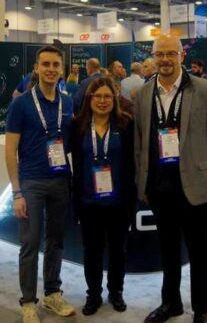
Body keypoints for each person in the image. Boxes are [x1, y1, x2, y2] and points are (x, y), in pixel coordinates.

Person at [134, 34, 207, 323]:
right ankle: (171, 303)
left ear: (181, 56)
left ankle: (201, 309)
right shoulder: (143, 94)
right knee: (168, 249)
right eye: (159, 54)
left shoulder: (204, 89)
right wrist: (143, 181)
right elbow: (140, 141)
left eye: (170, 54)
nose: (164, 60)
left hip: (195, 188)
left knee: (199, 251)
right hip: (160, 187)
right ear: (153, 58)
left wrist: (202, 167)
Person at [4, 45, 76, 323]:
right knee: (30, 242)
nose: (50, 69)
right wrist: (16, 192)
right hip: (31, 182)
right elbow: (10, 150)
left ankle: (52, 293)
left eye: (55, 64)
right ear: (36, 68)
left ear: (62, 69)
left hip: (60, 180)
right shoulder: (21, 104)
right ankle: (28, 302)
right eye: (45, 64)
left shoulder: (67, 102)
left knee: (56, 240)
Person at [69, 78, 135, 316]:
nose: (103, 101)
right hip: (88, 202)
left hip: (119, 202)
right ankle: (93, 294)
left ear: (115, 99)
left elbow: (133, 161)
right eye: (98, 96)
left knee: (118, 251)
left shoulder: (126, 124)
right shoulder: (77, 126)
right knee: (92, 251)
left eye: (108, 96)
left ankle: (115, 291)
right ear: (89, 99)